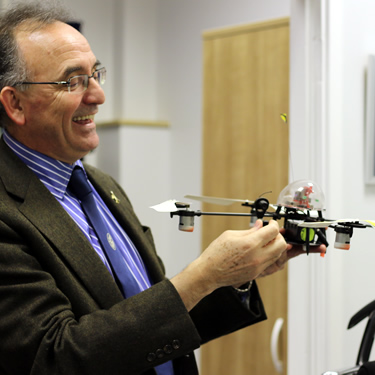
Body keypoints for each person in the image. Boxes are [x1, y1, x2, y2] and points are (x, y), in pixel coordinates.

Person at [0, 1, 324, 374]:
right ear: (15, 104)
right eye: (71, 81)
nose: (98, 96)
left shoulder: (102, 188)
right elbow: (56, 358)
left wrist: (234, 276)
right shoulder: (8, 211)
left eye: (96, 74)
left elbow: (151, 321)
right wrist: (202, 275)